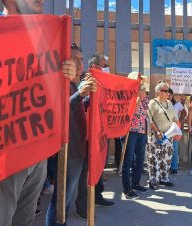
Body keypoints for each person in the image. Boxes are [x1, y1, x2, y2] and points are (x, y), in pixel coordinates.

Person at [0, 1, 79, 226]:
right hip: (3, 153)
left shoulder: (41, 37)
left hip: (37, 153)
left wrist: (65, 73)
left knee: (25, 220)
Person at [45, 44, 97, 226]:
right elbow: (57, 114)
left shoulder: (74, 85)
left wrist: (86, 99)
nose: (79, 63)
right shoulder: (60, 84)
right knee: (60, 200)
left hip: (76, 150)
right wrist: (80, 95)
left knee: (65, 199)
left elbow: (74, 111)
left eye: (81, 59)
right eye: (74, 59)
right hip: (66, 152)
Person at [74, 53, 115, 221]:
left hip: (100, 134)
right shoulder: (86, 84)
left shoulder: (102, 84)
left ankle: (97, 195)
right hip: (88, 137)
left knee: (99, 167)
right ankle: (82, 206)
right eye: (104, 65)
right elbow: (80, 107)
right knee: (85, 173)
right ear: (95, 67)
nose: (106, 68)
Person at [121, 72, 149, 199]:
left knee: (139, 159)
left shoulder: (145, 98)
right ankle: (127, 188)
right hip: (130, 131)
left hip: (142, 132)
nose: (141, 84)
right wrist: (138, 97)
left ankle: (136, 183)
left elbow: (145, 114)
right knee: (128, 160)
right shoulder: (127, 96)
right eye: (139, 82)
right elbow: (129, 112)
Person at [147, 82, 180, 189]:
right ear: (159, 92)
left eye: (168, 91)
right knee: (154, 158)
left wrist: (177, 131)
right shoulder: (152, 103)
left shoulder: (169, 103)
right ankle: (153, 180)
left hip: (169, 136)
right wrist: (157, 131)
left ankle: (164, 178)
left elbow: (175, 119)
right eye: (166, 91)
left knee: (166, 158)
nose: (168, 93)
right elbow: (149, 119)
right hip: (156, 136)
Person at [168, 89, 187, 175]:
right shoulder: (161, 104)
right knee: (165, 148)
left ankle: (174, 167)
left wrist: (180, 121)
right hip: (164, 128)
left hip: (174, 128)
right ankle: (166, 166)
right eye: (167, 94)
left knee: (174, 148)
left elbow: (184, 112)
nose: (168, 96)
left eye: (170, 95)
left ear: (172, 95)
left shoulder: (177, 104)